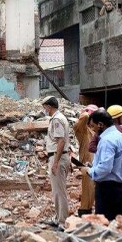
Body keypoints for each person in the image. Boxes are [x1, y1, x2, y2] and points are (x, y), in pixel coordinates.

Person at [81, 110, 122, 221]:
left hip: (108, 190)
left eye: (93, 126)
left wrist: (89, 171)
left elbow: (105, 168)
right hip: (120, 188)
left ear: (100, 124)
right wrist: (93, 165)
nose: (93, 130)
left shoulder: (107, 140)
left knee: (106, 226)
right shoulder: (121, 137)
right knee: (117, 226)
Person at [43, 97, 71, 226]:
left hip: (57, 157)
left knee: (60, 192)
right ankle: (57, 218)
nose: (44, 110)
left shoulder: (57, 119)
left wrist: (55, 162)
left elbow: (61, 141)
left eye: (45, 107)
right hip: (58, 156)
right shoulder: (58, 118)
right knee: (57, 191)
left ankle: (62, 221)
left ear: (49, 106)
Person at [74, 111, 95, 216]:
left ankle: (87, 209)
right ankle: (84, 210)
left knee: (92, 188)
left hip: (94, 163)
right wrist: (88, 114)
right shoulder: (81, 130)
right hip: (86, 163)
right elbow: (85, 117)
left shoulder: (92, 131)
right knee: (88, 187)